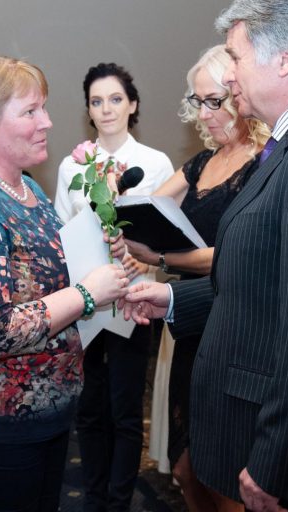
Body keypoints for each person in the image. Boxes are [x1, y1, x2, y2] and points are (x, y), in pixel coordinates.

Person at [120, 1, 288, 511]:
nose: (229, 77)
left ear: (285, 59)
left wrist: (276, 461)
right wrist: (176, 300)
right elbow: (272, 280)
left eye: (236, 57)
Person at [0, 54, 130, 512]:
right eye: (30, 111)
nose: (47, 122)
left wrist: (102, 259)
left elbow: (45, 274)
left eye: (44, 108)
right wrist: (87, 294)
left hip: (41, 409)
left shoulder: (25, 187)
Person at [124, 44, 269, 512]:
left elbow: (236, 256)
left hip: (233, 328)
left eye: (212, 101)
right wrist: (115, 214)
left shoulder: (266, 163)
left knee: (225, 479)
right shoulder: (202, 163)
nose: (202, 114)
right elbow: (145, 210)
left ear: (239, 94)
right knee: (185, 469)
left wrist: (163, 258)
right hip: (189, 328)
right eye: (197, 101)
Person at [53, 62, 173, 511]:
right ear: (88, 109)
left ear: (133, 105)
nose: (106, 109)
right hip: (84, 301)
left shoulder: (155, 164)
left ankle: (119, 502)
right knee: (88, 408)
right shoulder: (71, 166)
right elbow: (62, 231)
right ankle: (94, 498)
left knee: (125, 409)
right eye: (97, 101)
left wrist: (144, 261)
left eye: (116, 99)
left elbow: (167, 235)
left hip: (132, 299)